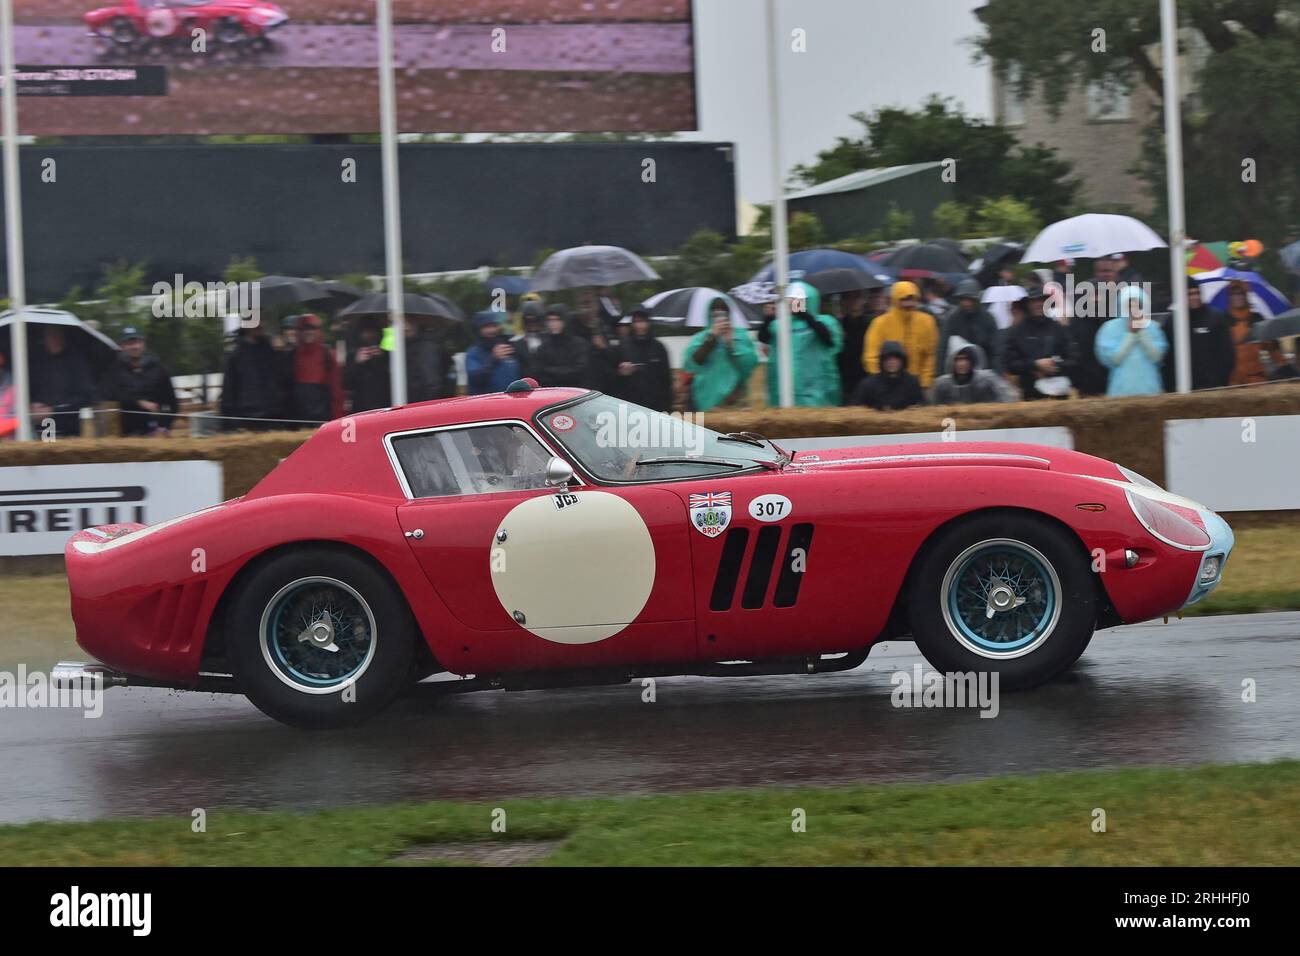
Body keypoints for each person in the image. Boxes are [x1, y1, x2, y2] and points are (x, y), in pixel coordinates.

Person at [759, 280, 843, 407]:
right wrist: (769, 317)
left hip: (815, 389)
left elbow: (830, 341)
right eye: (791, 300)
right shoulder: (779, 324)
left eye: (798, 300)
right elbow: (763, 338)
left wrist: (803, 313)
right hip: (783, 390)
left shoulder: (824, 321)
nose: (793, 303)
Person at [682, 298, 759, 411]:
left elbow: (749, 364)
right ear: (709, 316)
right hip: (706, 398)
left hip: (734, 399)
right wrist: (712, 338)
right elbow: (692, 364)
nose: (720, 319)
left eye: (723, 314)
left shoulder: (740, 335)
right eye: (715, 315)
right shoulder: (700, 338)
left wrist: (731, 346)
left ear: (729, 315)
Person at [1161, 280, 1235, 391]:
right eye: (1189, 294)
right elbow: (1167, 357)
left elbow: (1227, 354)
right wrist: (1170, 386)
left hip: (1212, 387)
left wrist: (1220, 382)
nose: (1194, 297)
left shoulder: (1216, 318)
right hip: (1181, 389)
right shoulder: (1172, 321)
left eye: (1196, 293)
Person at [1004, 289, 1078, 400]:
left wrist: (1054, 366)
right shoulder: (1017, 332)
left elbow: (1074, 358)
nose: (1038, 304)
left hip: (1059, 395)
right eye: (1034, 301)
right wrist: (1034, 365)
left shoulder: (1058, 329)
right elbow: (1011, 365)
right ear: (1027, 305)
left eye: (1042, 300)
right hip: (1030, 394)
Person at [1095, 285, 1168, 397]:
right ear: (1122, 306)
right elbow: (1114, 359)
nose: (1133, 310)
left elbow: (1157, 357)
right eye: (1129, 306)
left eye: (1137, 305)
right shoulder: (1110, 328)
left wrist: (1142, 332)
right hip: (1121, 392)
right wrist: (1131, 334)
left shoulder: (1152, 327)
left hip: (1150, 391)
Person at [864, 281, 939, 389]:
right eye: (904, 299)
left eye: (912, 299)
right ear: (895, 300)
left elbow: (931, 355)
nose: (908, 303)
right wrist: (881, 382)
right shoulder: (879, 324)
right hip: (887, 386)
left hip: (920, 386)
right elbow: (871, 357)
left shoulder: (927, 322)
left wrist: (925, 382)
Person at [105, 327, 177, 436]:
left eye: (137, 342)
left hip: (153, 429)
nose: (134, 347)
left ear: (143, 344)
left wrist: (165, 426)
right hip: (124, 433)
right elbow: (110, 394)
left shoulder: (158, 368)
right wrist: (138, 402)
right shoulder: (114, 370)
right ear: (122, 346)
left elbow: (171, 402)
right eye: (129, 343)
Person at [30, 325, 98, 438]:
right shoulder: (37, 364)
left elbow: (86, 397)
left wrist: (53, 410)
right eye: (49, 336)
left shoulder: (77, 363)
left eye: (56, 335)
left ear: (63, 338)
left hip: (70, 426)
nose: (53, 340)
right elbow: (31, 389)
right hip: (44, 426)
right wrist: (32, 405)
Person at [220, 322, 287, 430]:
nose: (259, 324)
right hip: (247, 420)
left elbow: (283, 379)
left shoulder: (271, 349)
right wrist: (229, 424)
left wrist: (281, 353)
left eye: (260, 319)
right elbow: (228, 391)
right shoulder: (235, 355)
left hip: (274, 418)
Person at [937, 278, 1001, 373]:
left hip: (983, 370)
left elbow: (996, 350)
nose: (967, 303)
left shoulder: (988, 319)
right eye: (963, 299)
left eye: (970, 299)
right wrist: (940, 374)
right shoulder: (952, 318)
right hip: (958, 371)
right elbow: (943, 348)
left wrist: (996, 373)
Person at [289, 314, 343, 425]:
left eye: (312, 329)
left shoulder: (328, 355)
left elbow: (336, 391)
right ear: (299, 332)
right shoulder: (291, 355)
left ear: (319, 331)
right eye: (304, 329)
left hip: (322, 417)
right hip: (297, 418)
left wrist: (337, 420)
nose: (308, 332)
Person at [1226, 280, 1284, 385]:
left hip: (1256, 380)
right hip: (1233, 383)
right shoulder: (1224, 321)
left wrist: (1284, 369)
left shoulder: (1257, 318)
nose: (1238, 296)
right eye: (1234, 294)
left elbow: (1273, 348)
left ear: (1246, 295)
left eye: (1241, 293)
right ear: (1230, 297)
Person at [616, 309, 673, 411]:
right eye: (637, 322)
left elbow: (666, 380)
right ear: (632, 324)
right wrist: (621, 373)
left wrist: (666, 409)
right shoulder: (623, 346)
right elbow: (614, 377)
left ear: (648, 323)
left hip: (656, 406)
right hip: (630, 406)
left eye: (643, 321)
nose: (640, 325)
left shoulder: (659, 347)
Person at [931, 338, 1017, 404]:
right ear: (952, 362)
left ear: (971, 361)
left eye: (966, 359)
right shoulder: (942, 385)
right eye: (958, 360)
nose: (962, 363)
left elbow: (1008, 397)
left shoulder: (987, 380)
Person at [853, 340, 924, 410]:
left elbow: (923, 408)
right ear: (881, 362)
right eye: (887, 359)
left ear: (902, 361)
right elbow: (854, 409)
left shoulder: (912, 383)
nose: (891, 362)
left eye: (896, 358)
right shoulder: (868, 384)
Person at [532, 305, 590, 388]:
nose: (553, 324)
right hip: (552, 393)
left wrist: (549, 371)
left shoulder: (579, 344)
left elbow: (579, 371)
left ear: (565, 321)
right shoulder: (543, 348)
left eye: (557, 320)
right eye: (550, 320)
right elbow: (537, 372)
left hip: (576, 392)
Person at [465, 312, 523, 395]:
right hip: (485, 403)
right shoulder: (473, 353)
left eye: (494, 326)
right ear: (478, 330)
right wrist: (493, 359)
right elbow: (475, 379)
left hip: (512, 401)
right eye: (486, 327)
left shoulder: (508, 347)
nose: (492, 330)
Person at [836, 288, 874, 402]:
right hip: (845, 378)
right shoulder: (839, 325)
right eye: (848, 298)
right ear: (843, 302)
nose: (853, 301)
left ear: (863, 300)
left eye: (856, 297)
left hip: (866, 375)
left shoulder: (871, 322)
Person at [344, 319, 390, 412]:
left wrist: (382, 359)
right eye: (366, 332)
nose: (369, 335)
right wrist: (357, 363)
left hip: (384, 406)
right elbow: (347, 383)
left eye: (373, 332)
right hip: (360, 407)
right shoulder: (352, 356)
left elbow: (392, 381)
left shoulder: (388, 355)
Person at [405, 320, 456, 403]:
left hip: (422, 402)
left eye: (409, 323)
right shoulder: (407, 346)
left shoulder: (426, 347)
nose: (405, 327)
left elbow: (431, 381)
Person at [510, 299, 545, 378]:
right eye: (528, 320)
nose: (532, 324)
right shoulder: (515, 344)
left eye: (535, 320)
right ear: (523, 321)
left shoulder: (550, 341)